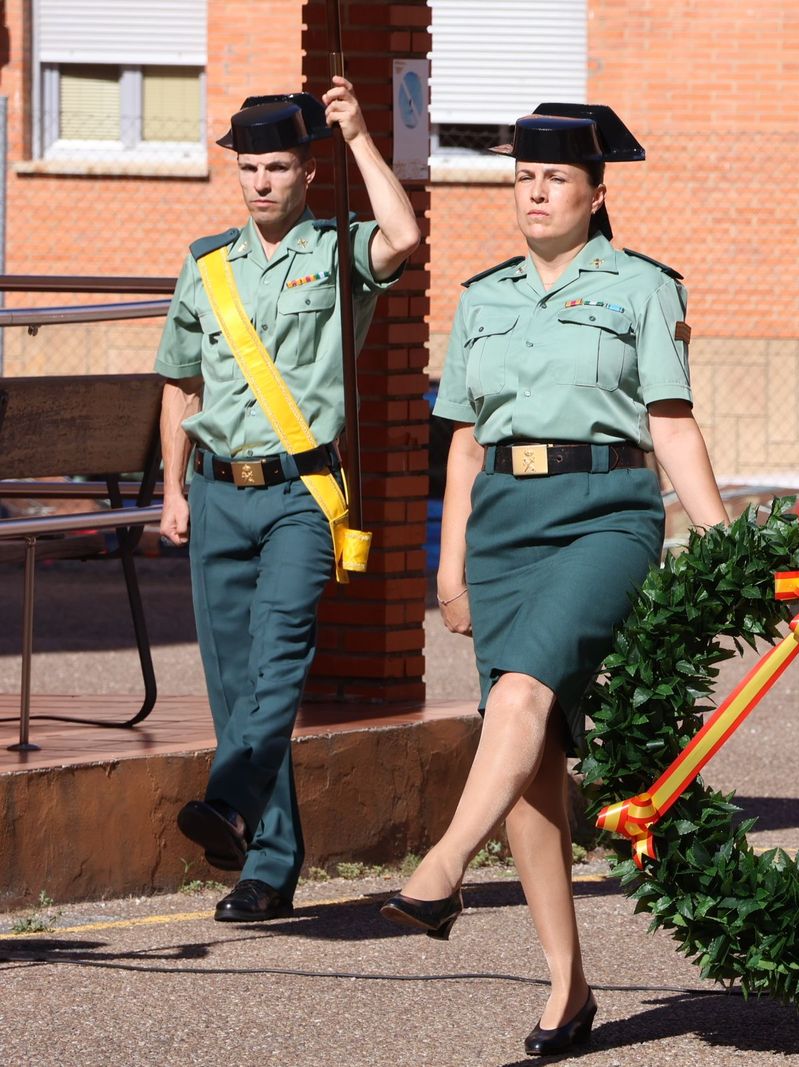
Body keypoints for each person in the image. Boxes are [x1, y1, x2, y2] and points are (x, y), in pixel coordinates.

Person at [379, 104, 728, 1058]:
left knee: (522, 691)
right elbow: (463, 444)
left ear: (596, 193)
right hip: (502, 526)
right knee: (533, 762)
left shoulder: (643, 287)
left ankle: (442, 867)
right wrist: (448, 566)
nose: (535, 193)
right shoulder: (483, 296)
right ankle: (568, 989)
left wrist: (721, 538)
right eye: (524, 178)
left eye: (556, 179)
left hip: (605, 514)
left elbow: (670, 421)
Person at [156, 82, 420, 921]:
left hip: (302, 493)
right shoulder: (206, 265)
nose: (261, 182)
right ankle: (266, 867)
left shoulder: (338, 251)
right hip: (216, 491)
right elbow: (180, 383)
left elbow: (405, 236)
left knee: (279, 654)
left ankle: (232, 807)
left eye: (277, 166)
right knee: (233, 682)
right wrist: (172, 489)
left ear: (308, 172)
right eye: (249, 167)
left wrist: (361, 135)